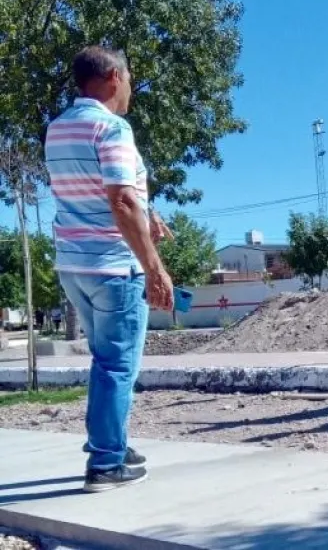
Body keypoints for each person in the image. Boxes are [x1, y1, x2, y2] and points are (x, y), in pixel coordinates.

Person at [44, 45, 175, 493]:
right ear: (114, 77)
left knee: (108, 361)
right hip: (114, 268)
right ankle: (105, 463)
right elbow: (119, 199)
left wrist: (147, 212)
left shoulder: (57, 128)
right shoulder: (113, 127)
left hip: (73, 266)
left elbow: (96, 192)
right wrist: (154, 267)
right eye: (131, 79)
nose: (131, 90)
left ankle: (111, 440)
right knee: (118, 366)